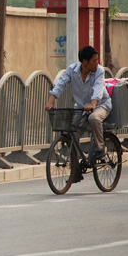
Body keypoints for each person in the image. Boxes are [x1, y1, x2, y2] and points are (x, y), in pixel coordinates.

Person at [45, 45, 112, 182]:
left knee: (94, 118)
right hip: (82, 108)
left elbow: (99, 87)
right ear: (84, 62)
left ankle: (100, 149)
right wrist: (51, 101)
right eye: (94, 60)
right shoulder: (72, 70)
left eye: (97, 60)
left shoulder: (98, 71)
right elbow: (61, 84)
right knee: (73, 134)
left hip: (101, 105)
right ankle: (75, 169)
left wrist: (93, 104)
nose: (97, 63)